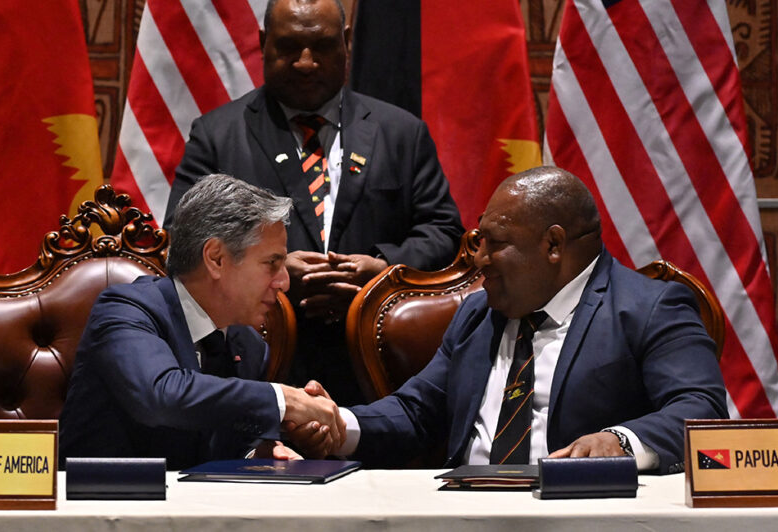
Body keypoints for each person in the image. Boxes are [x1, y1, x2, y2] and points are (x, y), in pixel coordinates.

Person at [292, 166, 728, 474]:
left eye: (494, 243)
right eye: (477, 241)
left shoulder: (650, 309)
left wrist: (619, 442)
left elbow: (701, 411)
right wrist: (339, 425)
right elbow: (416, 411)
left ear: (553, 245)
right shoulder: (478, 313)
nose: (476, 259)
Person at [164, 0, 464, 405]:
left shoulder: (401, 133)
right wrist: (270, 267)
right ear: (263, 43)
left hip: (381, 369)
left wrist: (382, 269)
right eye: (288, 47)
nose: (305, 62)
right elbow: (181, 242)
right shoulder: (217, 136)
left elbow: (443, 232)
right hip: (255, 367)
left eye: (321, 47)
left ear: (347, 43)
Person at [60, 174, 344, 470]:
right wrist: (282, 398)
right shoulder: (127, 311)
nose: (284, 282)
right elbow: (161, 397)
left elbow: (223, 442)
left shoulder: (249, 346)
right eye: (271, 264)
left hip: (194, 511)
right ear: (216, 258)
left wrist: (260, 454)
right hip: (101, 507)